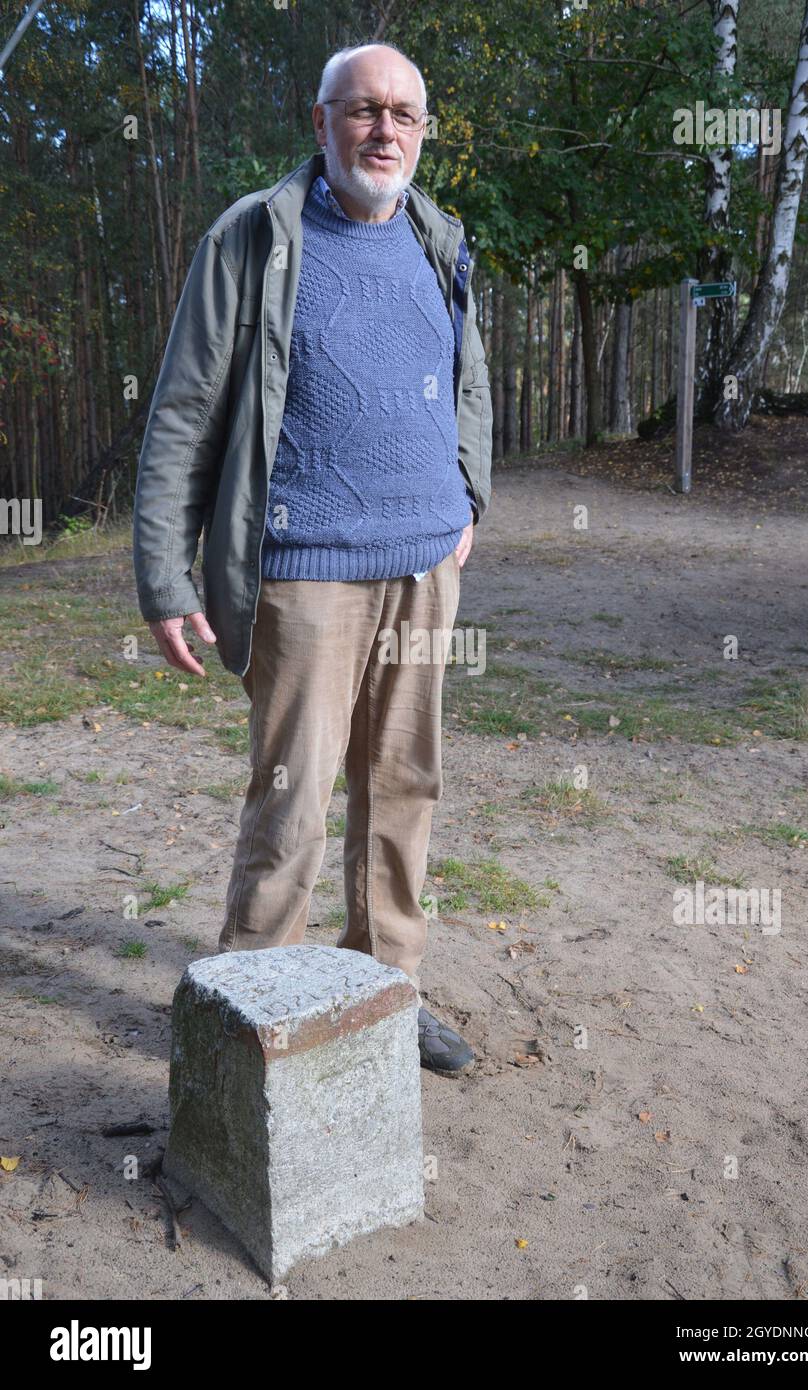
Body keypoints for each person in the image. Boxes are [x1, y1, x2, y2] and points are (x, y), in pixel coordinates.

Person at [133, 41, 492, 1072]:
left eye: (405, 114)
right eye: (364, 109)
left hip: (426, 568)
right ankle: (255, 1004)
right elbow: (183, 412)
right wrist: (166, 573)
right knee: (291, 792)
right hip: (305, 570)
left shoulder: (438, 234)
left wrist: (470, 493)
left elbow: (466, 375)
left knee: (405, 785)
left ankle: (387, 987)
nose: (385, 130)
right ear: (322, 119)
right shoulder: (254, 236)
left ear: (423, 130)